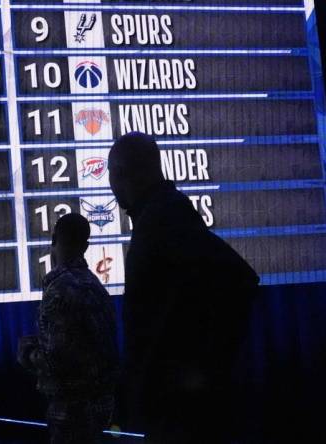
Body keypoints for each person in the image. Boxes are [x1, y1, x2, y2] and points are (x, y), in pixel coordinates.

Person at [108, 132, 260, 443]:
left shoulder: (165, 216)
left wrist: (200, 369)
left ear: (124, 172)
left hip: (179, 413)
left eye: (112, 172)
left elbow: (239, 279)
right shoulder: (158, 214)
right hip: (170, 405)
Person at [18, 213, 120, 444]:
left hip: (73, 409)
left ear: (53, 239)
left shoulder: (60, 289)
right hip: (102, 404)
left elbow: (58, 359)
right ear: (85, 245)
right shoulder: (95, 286)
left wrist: (26, 353)